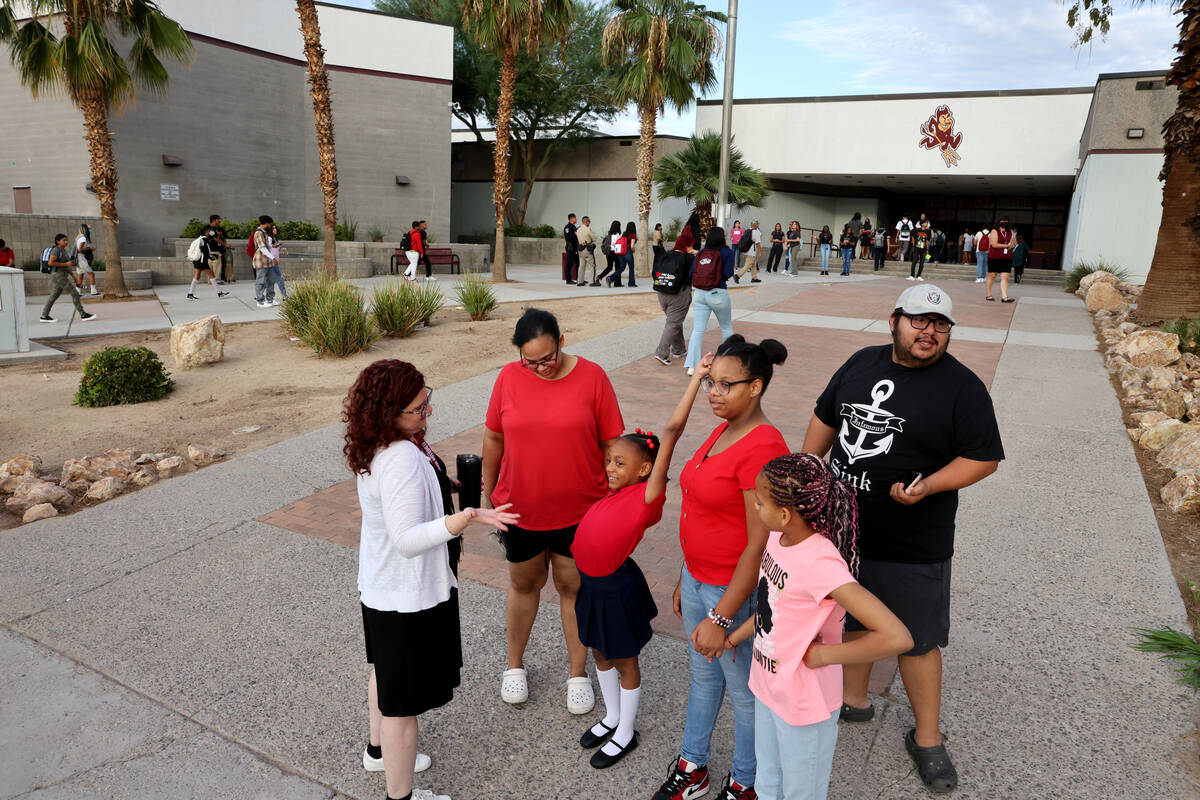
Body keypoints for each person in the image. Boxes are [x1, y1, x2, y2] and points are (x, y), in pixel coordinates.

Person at [801, 284, 1004, 795]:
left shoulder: (963, 388)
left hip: (916, 539)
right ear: (895, 320)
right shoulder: (860, 363)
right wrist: (807, 480)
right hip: (844, 530)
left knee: (917, 639)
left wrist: (929, 485)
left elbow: (984, 457)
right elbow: (827, 419)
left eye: (939, 325)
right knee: (850, 619)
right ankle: (855, 701)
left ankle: (928, 738)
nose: (928, 332)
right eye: (918, 321)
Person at [345, 359, 520, 800]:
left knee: (385, 675)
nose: (427, 413)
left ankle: (377, 752)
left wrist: (444, 486)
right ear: (388, 411)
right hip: (405, 594)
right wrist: (466, 518)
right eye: (418, 409)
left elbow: (396, 505)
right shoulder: (401, 456)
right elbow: (407, 539)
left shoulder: (382, 442)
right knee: (403, 711)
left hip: (382, 586)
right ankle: (399, 795)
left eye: (427, 401)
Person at [724, 453, 913, 800]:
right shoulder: (776, 539)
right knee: (767, 783)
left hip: (804, 703)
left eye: (760, 501)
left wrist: (825, 655)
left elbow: (896, 636)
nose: (754, 506)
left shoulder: (820, 562)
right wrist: (734, 637)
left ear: (785, 514)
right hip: (769, 687)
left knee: (801, 793)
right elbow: (774, 606)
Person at [652, 336, 790, 800]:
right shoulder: (724, 427)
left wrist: (721, 615)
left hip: (731, 590)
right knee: (703, 676)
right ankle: (694, 767)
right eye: (711, 382)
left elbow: (760, 544)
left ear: (756, 387)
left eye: (726, 385)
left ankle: (746, 782)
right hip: (699, 579)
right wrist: (684, 576)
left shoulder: (762, 447)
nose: (714, 393)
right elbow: (704, 510)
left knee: (746, 693)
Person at [483, 309, 625, 714]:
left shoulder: (593, 377)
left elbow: (612, 444)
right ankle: (514, 666)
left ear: (562, 340)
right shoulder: (509, 378)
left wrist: (618, 498)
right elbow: (494, 436)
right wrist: (487, 493)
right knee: (524, 584)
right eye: (532, 361)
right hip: (520, 509)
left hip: (581, 509)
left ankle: (577, 673)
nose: (542, 367)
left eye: (549, 358)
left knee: (572, 587)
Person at [575, 381, 701, 769]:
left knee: (625, 658)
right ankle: (611, 717)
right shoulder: (613, 492)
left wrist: (695, 377)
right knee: (598, 649)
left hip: (615, 588)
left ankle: (626, 732)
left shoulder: (647, 497)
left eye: (619, 463)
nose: (610, 468)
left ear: (645, 470)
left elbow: (671, 433)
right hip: (591, 587)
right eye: (610, 460)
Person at [683, 226, 736, 377]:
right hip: (718, 293)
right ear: (722, 237)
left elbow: (691, 272)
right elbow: (727, 273)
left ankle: (692, 366)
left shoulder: (701, 252)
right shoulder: (727, 252)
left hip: (700, 293)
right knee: (726, 327)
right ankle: (728, 363)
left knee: (698, 330)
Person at [653, 216, 700, 366]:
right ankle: (661, 353)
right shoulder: (688, 258)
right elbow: (695, 273)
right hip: (679, 294)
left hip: (662, 292)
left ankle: (679, 350)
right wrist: (696, 254)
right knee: (673, 323)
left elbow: (654, 271)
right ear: (688, 245)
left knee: (674, 321)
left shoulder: (667, 254)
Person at [39, 233, 96, 323]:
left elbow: (67, 266)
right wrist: (66, 264)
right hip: (58, 276)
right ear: (58, 241)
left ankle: (44, 316)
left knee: (53, 296)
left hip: (62, 275)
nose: (66, 242)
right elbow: (51, 263)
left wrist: (74, 277)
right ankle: (83, 314)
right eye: (64, 240)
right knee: (75, 293)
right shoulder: (56, 250)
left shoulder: (63, 251)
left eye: (67, 240)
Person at [187, 226, 232, 301]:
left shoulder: (201, 239)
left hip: (198, 260)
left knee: (197, 276)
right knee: (210, 275)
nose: (212, 232)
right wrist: (211, 256)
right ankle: (219, 293)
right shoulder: (204, 239)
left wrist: (210, 256)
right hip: (201, 260)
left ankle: (190, 294)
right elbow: (204, 251)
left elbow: (203, 251)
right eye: (210, 231)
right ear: (207, 232)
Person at [985, 217, 1016, 303]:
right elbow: (994, 244)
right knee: (992, 276)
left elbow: (1014, 242)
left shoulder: (1011, 231)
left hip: (1007, 258)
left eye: (1006, 222)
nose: (1004, 223)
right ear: (998, 222)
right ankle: (988, 295)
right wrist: (1006, 246)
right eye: (1002, 222)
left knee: (1005, 277)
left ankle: (1004, 297)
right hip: (994, 257)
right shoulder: (994, 231)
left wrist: (1012, 245)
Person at [252, 216, 278, 307]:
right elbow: (262, 248)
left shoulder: (264, 233)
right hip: (261, 261)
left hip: (268, 261)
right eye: (270, 224)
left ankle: (270, 299)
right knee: (261, 281)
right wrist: (273, 258)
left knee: (271, 280)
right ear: (266, 223)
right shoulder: (259, 233)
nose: (271, 226)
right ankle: (260, 301)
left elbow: (267, 246)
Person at [73, 223, 98, 296]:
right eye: (89, 229)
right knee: (91, 273)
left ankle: (77, 292)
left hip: (78, 257)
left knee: (80, 275)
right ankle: (93, 290)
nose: (90, 230)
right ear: (86, 230)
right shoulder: (83, 238)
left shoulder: (79, 237)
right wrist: (89, 248)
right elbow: (80, 249)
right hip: (81, 257)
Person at [267, 223, 288, 303]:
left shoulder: (275, 239)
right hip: (271, 261)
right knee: (279, 278)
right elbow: (266, 248)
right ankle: (284, 295)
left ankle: (261, 295)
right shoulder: (269, 238)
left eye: (275, 228)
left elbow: (275, 251)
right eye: (273, 228)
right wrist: (273, 246)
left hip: (275, 261)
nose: (275, 230)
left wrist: (283, 252)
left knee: (269, 280)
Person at [208, 215, 232, 284]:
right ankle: (216, 280)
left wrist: (225, 244)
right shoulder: (210, 228)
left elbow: (224, 238)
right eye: (218, 219)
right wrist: (225, 244)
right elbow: (215, 238)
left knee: (216, 265)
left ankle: (212, 280)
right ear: (214, 220)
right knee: (215, 265)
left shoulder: (220, 228)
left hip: (219, 249)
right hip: (212, 249)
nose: (220, 220)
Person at [577, 215, 598, 287]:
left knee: (581, 266)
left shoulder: (578, 229)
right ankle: (592, 281)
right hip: (587, 249)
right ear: (586, 222)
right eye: (589, 221)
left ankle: (580, 281)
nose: (590, 222)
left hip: (580, 249)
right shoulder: (588, 229)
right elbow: (594, 238)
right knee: (593, 265)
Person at [599, 220, 621, 286]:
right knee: (618, 267)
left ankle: (599, 277)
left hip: (608, 252)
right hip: (615, 252)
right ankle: (617, 283)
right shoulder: (618, 235)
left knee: (609, 267)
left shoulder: (609, 235)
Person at [617, 221, 638, 288]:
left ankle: (610, 278)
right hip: (628, 251)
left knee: (622, 268)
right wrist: (633, 250)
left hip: (621, 252)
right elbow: (632, 246)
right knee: (631, 268)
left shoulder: (624, 233)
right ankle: (631, 283)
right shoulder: (633, 235)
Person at [563, 213, 580, 285]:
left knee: (578, 264)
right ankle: (568, 280)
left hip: (575, 248)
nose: (576, 219)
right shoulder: (567, 227)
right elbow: (568, 238)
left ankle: (579, 279)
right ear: (572, 219)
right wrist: (575, 234)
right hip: (570, 248)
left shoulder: (574, 227)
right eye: (575, 218)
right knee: (569, 264)